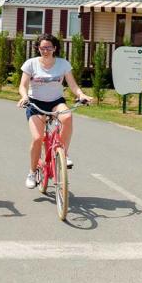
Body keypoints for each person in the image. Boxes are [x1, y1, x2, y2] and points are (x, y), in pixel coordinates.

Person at [17, 33, 91, 189]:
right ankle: (32, 172)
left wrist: (81, 95)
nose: (45, 50)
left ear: (55, 48)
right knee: (37, 138)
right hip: (35, 103)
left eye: (49, 47)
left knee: (68, 116)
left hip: (56, 102)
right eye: (42, 47)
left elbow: (73, 85)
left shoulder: (63, 64)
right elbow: (23, 85)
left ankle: (63, 152)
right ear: (38, 48)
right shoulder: (31, 64)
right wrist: (24, 97)